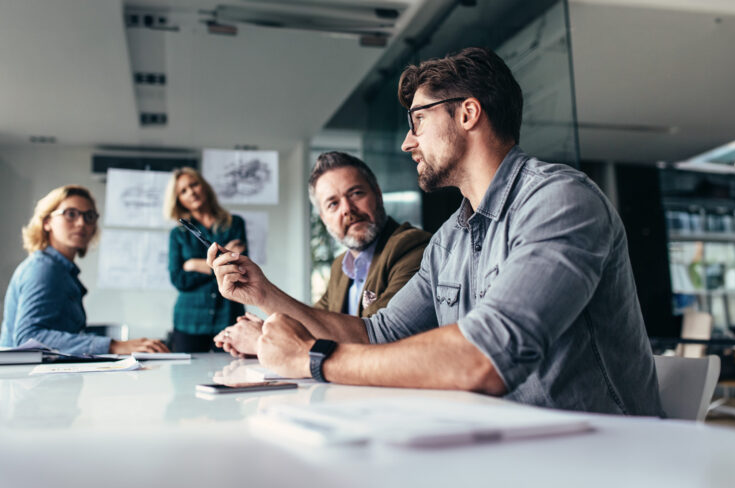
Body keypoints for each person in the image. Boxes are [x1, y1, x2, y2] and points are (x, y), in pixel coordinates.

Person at [208, 47, 663, 415]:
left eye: (418, 120)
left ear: (468, 114)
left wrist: (312, 359)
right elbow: (377, 334)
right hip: (505, 447)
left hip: (602, 460)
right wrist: (262, 293)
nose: (408, 141)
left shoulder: (559, 201)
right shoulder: (449, 240)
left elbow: (485, 357)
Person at [215, 152, 430, 354]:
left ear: (378, 194)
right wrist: (264, 331)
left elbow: (378, 340)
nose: (347, 209)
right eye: (333, 204)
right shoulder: (341, 266)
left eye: (356, 193)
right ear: (323, 218)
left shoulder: (412, 247)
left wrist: (263, 340)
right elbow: (314, 325)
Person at [0, 185, 168, 355]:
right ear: (47, 222)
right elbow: (29, 338)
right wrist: (113, 346)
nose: (81, 223)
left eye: (89, 216)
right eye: (70, 214)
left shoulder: (62, 271)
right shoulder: (43, 268)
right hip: (27, 372)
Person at [164, 167, 247, 352]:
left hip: (228, 316)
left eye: (194, 185)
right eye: (183, 191)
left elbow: (239, 269)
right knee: (186, 370)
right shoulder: (178, 234)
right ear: (178, 200)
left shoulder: (235, 224)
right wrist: (220, 264)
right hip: (189, 321)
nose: (191, 192)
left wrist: (193, 264)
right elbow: (178, 279)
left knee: (234, 368)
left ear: (204, 186)